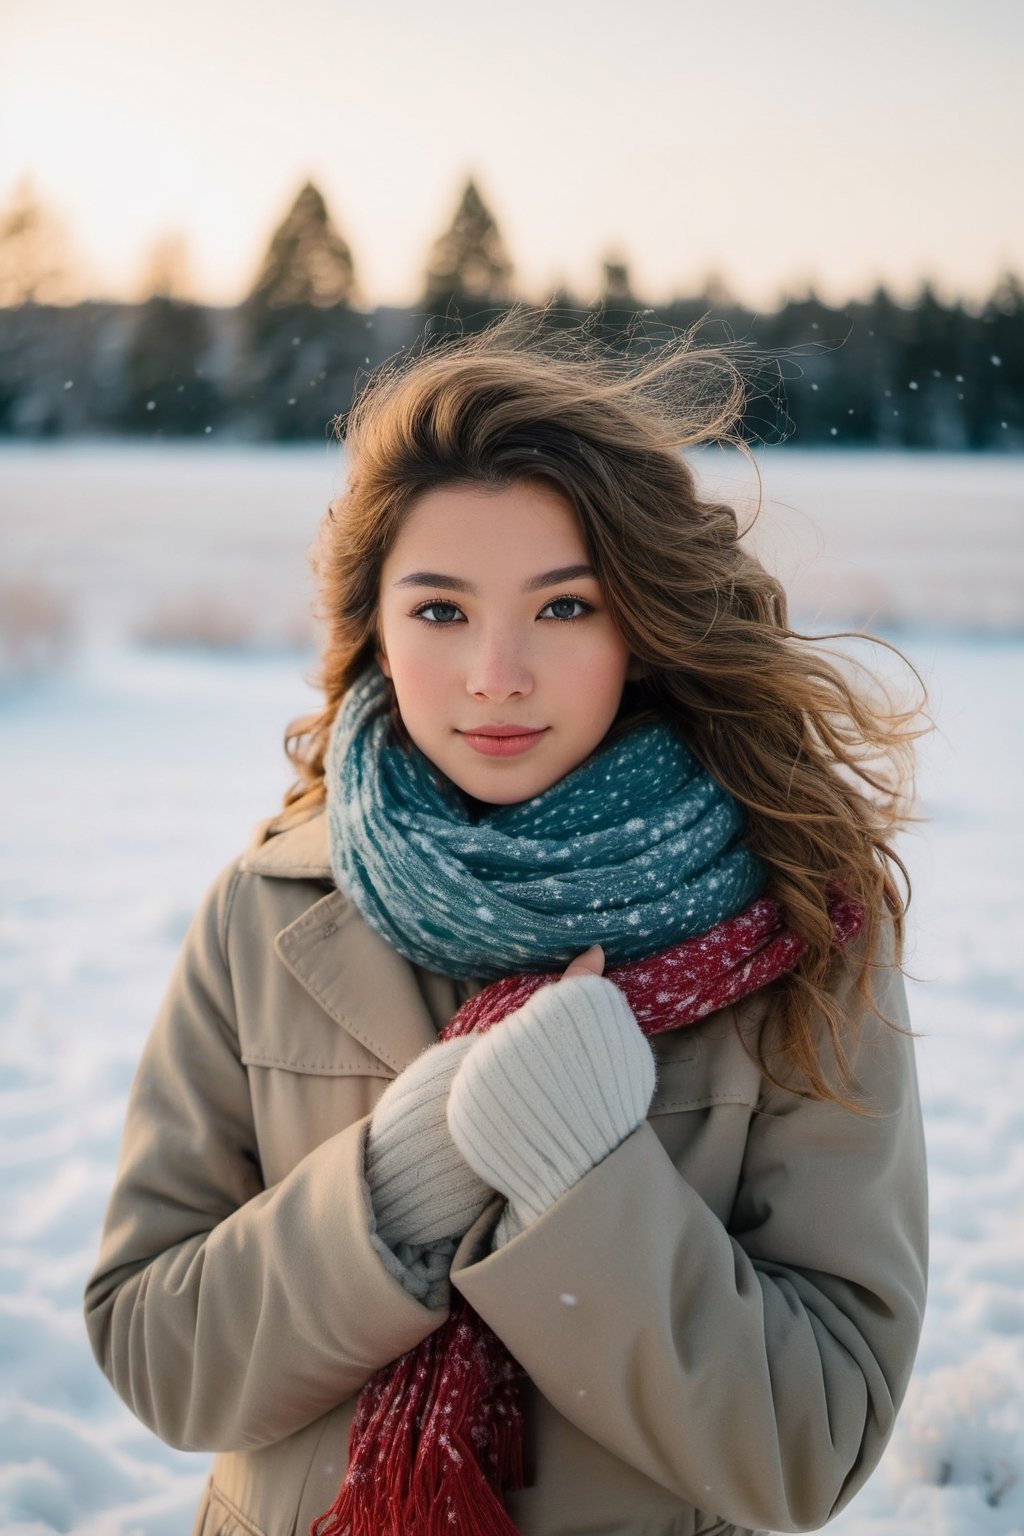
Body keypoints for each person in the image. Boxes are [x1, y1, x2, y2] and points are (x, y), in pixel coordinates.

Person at [84, 313, 928, 1536]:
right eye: (438, 611)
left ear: (640, 626)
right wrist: (392, 1193)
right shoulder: (266, 912)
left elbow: (806, 1449)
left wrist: (576, 1180)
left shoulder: (799, 924)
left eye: (563, 609)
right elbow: (162, 1358)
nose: (494, 673)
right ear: (373, 623)